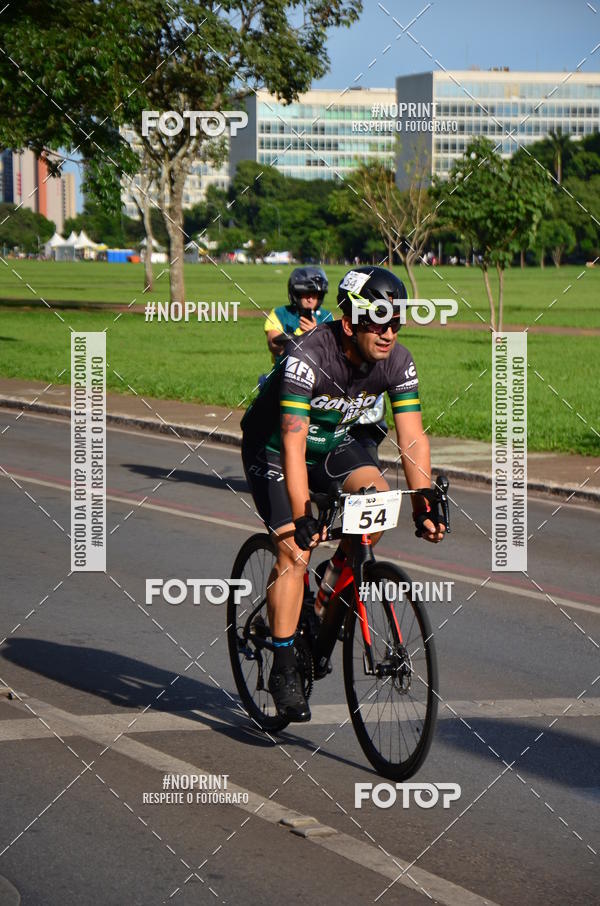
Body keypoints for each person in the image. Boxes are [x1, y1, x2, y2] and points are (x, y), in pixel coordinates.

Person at [241, 266, 445, 722]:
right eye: (379, 320)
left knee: (378, 500)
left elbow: (412, 439)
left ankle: (326, 594)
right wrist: (303, 512)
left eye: (397, 320)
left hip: (334, 444)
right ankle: (284, 661)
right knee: (294, 548)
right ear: (350, 322)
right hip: (274, 448)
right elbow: (293, 443)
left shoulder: (397, 360)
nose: (389, 331)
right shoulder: (308, 356)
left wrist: (423, 503)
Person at [264, 266, 332, 362]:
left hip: (317, 372)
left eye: (315, 294)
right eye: (306, 293)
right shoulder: (279, 314)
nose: (310, 299)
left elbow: (332, 351)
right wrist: (299, 334)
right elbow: (274, 346)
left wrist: (315, 335)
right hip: (284, 371)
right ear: (296, 294)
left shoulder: (327, 316)